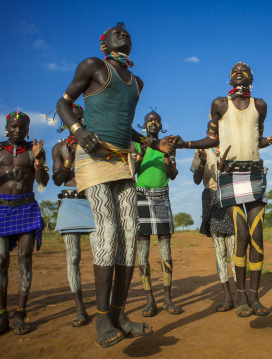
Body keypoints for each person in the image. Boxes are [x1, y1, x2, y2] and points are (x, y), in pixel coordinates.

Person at [56, 23, 172, 348]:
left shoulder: (137, 83)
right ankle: (102, 317)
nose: (124, 34)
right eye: (116, 32)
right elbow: (63, 104)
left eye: (128, 33)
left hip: (122, 161)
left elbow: (125, 126)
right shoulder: (93, 66)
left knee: (131, 235)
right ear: (103, 41)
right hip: (93, 157)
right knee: (106, 231)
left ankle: (120, 314)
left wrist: (153, 143)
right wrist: (78, 132)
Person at [175, 62, 272, 317]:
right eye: (234, 70)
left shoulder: (259, 105)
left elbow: (257, 139)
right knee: (241, 235)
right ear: (229, 79)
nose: (239, 71)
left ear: (252, 77)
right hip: (229, 175)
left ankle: (254, 296)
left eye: (244, 69)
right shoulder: (219, 104)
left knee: (257, 236)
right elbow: (214, 138)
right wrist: (185, 144)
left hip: (254, 173)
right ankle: (240, 296)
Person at [0, 111, 49, 337]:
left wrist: (38, 160)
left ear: (27, 129)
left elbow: (42, 181)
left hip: (26, 208)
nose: (17, 130)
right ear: (6, 127)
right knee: (0, 260)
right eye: (13, 126)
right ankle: (1, 317)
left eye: (22, 127)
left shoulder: (34, 150)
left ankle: (20, 314)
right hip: (1, 209)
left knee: (24, 260)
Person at [132, 110, 181, 317]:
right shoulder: (136, 143)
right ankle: (149, 299)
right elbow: (131, 170)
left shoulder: (168, 144)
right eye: (150, 120)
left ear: (162, 126)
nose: (153, 122)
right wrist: (142, 152)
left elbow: (173, 175)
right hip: (140, 196)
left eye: (157, 121)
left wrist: (170, 163)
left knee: (165, 249)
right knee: (142, 250)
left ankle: (167, 298)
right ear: (144, 125)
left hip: (162, 196)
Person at [52, 104, 96, 327]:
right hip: (70, 202)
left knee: (102, 255)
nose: (76, 123)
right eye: (72, 120)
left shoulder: (93, 143)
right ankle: (80, 309)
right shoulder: (59, 147)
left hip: (94, 201)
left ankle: (104, 306)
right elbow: (58, 179)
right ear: (65, 122)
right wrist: (68, 160)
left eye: (80, 119)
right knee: (73, 258)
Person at [191, 123, 236, 312]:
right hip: (212, 198)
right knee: (220, 252)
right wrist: (202, 162)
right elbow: (196, 180)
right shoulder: (202, 150)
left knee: (236, 251)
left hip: (232, 199)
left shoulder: (234, 147)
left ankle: (240, 293)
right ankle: (227, 296)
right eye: (214, 130)